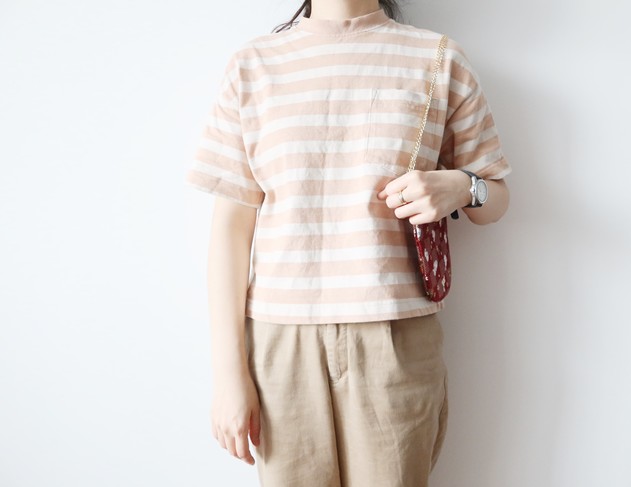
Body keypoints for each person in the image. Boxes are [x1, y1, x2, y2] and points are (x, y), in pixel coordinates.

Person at [184, 1, 512, 485]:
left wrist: (463, 187)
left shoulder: (438, 59)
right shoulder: (253, 65)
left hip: (394, 334)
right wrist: (228, 376)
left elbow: (495, 198)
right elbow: (231, 228)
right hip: (280, 340)